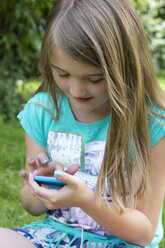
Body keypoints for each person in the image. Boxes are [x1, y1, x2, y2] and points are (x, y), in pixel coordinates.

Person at [0, 0, 165, 247]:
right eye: (62, 74)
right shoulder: (43, 111)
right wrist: (40, 185)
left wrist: (86, 200)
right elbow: (31, 204)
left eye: (95, 78)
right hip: (55, 236)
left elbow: (143, 233)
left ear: (125, 68)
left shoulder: (150, 123)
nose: (76, 90)